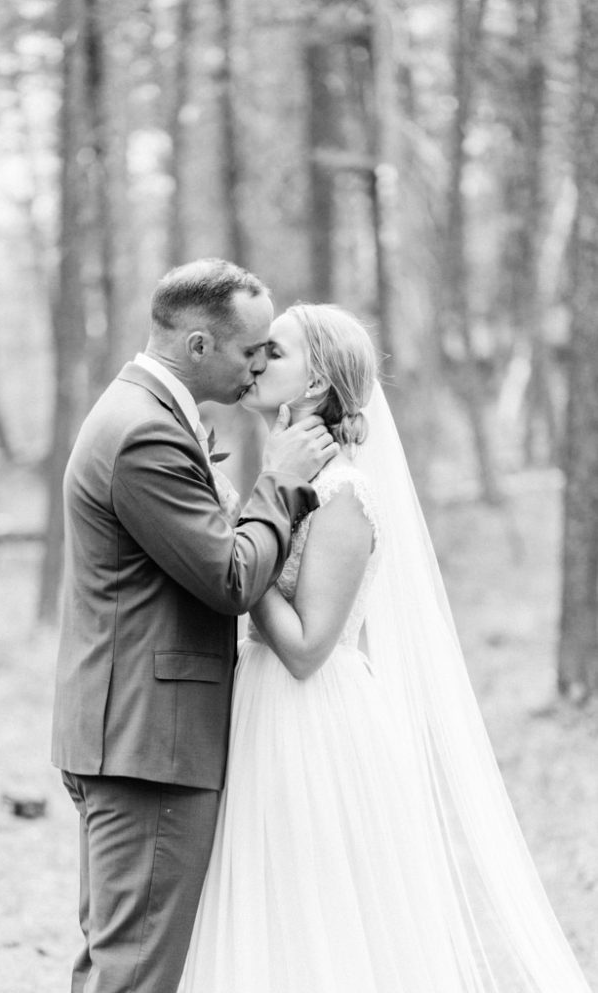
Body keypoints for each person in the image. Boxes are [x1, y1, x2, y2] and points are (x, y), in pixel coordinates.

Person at [179, 303, 593, 993]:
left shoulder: (342, 493)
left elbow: (309, 648)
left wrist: (232, 551)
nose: (252, 364)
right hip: (255, 707)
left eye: (272, 354)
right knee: (264, 903)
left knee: (320, 914)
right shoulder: (286, 478)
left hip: (310, 721)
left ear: (315, 385)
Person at [51, 260, 339, 993]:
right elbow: (230, 579)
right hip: (151, 742)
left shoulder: (147, 412)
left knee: (120, 961)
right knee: (134, 972)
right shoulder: (143, 431)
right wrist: (278, 480)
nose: (256, 368)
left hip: (137, 733)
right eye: (250, 352)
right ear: (201, 346)